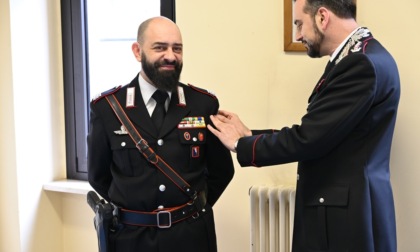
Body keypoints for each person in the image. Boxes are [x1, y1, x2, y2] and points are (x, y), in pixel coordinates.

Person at [208, 0, 400, 251]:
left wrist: (240, 144)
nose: (298, 35)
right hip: (354, 205)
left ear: (322, 17)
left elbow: (310, 138)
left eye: (299, 24)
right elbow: (323, 130)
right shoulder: (365, 54)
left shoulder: (358, 64)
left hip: (347, 216)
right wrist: (250, 135)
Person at [87, 16, 234, 252]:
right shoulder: (107, 108)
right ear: (137, 51)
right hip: (131, 239)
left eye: (177, 48)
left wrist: (189, 211)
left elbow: (222, 171)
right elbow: (98, 176)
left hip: (190, 237)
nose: (170, 56)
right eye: (160, 47)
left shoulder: (202, 104)